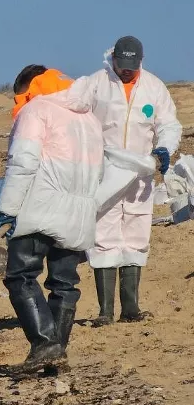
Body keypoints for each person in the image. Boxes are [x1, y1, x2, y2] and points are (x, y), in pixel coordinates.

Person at [67, 36, 182, 325]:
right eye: (122, 64)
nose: (126, 70)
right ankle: (105, 312)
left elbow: (168, 123)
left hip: (141, 173)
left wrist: (164, 149)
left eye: (132, 65)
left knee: (136, 232)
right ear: (113, 58)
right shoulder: (95, 83)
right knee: (103, 234)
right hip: (104, 171)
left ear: (140, 61)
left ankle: (130, 309)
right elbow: (71, 113)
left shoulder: (154, 87)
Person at [0, 65, 104, 373]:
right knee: (65, 283)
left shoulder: (37, 110)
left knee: (20, 276)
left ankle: (45, 344)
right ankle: (55, 356)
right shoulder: (89, 117)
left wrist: (8, 209)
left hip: (39, 207)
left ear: (29, 89)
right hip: (78, 213)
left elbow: (23, 163)